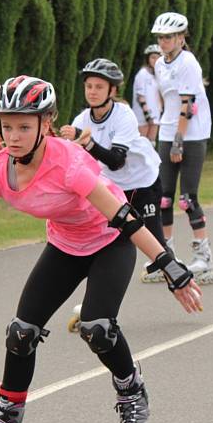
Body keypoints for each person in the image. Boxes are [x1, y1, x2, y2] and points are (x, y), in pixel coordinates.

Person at [0, 75, 203, 423]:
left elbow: (123, 217)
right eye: (6, 126)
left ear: (45, 124)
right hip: (66, 245)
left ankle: (130, 389)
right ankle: (5, 422)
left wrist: (169, 266)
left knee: (97, 327)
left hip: (110, 240)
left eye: (24, 126)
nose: (13, 136)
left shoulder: (66, 161)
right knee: (20, 333)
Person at [60, 58, 167, 291]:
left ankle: (178, 277)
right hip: (113, 188)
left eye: (99, 87)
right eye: (89, 86)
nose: (93, 92)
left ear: (113, 89)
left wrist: (87, 144)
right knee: (105, 244)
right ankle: (98, 303)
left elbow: (116, 161)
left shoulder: (123, 115)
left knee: (155, 244)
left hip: (142, 181)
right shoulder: (82, 120)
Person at [151, 12, 213, 284]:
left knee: (187, 198)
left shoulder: (188, 63)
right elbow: (166, 102)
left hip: (190, 135)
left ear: (181, 37)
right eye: (160, 38)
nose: (163, 42)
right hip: (167, 131)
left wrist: (178, 141)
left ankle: (204, 258)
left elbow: (188, 106)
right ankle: (166, 256)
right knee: (163, 197)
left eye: (168, 37)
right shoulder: (159, 64)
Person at [132, 44, 163, 144]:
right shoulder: (142, 74)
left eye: (158, 58)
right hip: (142, 115)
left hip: (155, 114)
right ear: (147, 59)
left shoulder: (158, 75)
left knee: (151, 143)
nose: (155, 60)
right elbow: (140, 97)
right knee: (141, 144)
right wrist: (147, 115)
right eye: (153, 57)